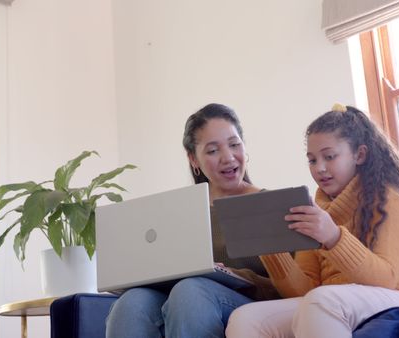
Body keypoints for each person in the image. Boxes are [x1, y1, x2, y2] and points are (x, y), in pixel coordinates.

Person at [225, 103, 399, 337]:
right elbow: (304, 290)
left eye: (329, 157)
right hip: (334, 302)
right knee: (246, 318)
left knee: (321, 301)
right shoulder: (317, 210)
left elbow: (385, 278)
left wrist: (333, 237)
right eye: (312, 160)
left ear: (359, 155)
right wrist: (271, 250)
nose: (319, 169)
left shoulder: (389, 198)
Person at [105, 103, 278, 338]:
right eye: (213, 150)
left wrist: (237, 276)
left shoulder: (271, 204)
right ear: (193, 159)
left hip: (245, 303)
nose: (228, 157)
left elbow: (295, 286)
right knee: (132, 303)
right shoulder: (179, 211)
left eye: (234, 144)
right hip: (184, 299)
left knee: (191, 291)